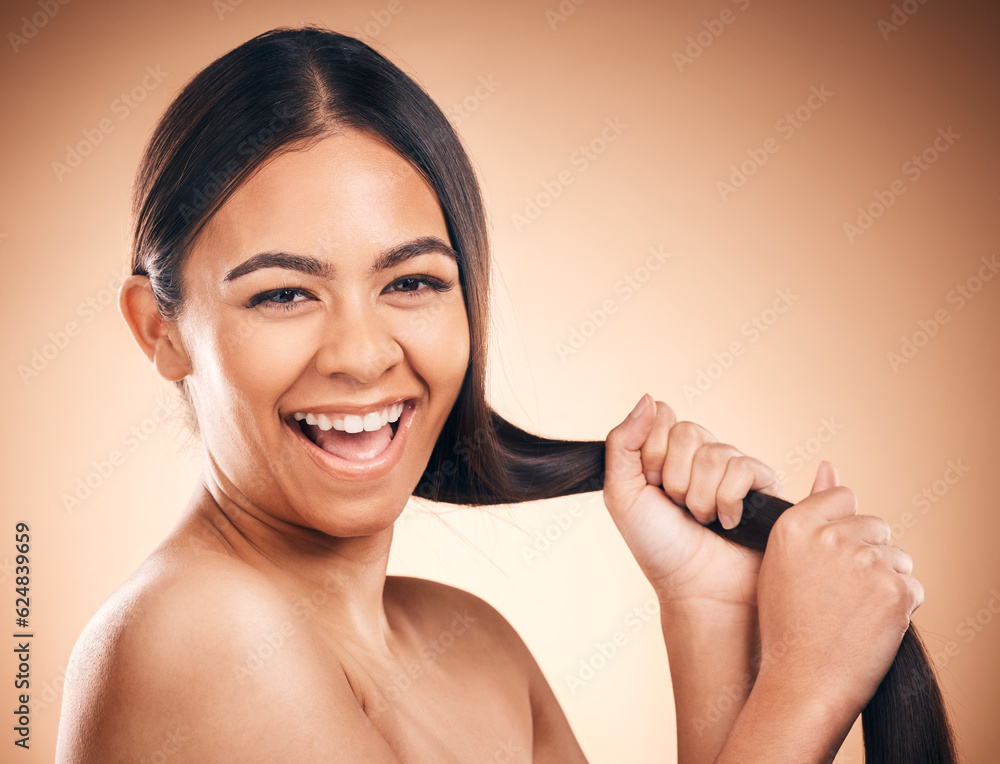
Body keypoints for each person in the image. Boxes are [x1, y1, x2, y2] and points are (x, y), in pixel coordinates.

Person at [55, 27, 922, 763]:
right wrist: (807, 686)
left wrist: (706, 608)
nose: (362, 355)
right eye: (283, 293)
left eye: (413, 282)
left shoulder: (473, 644)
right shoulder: (199, 640)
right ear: (158, 330)